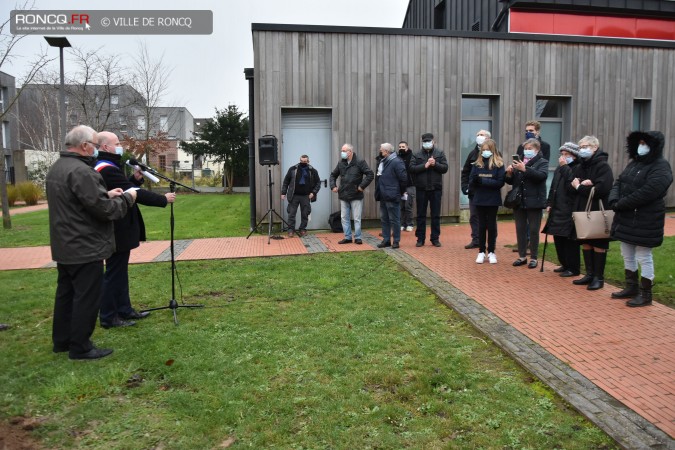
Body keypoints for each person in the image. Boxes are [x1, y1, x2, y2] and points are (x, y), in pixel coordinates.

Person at [46, 125, 137, 360]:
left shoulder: (58, 168)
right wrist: (127, 198)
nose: (97, 150)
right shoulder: (82, 172)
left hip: (65, 244)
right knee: (87, 296)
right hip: (85, 245)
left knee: (65, 295)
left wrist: (106, 194)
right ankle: (81, 346)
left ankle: (63, 341)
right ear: (85, 146)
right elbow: (105, 211)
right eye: (96, 145)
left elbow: (77, 201)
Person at [95, 131, 175, 329]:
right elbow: (134, 194)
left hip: (119, 226)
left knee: (120, 271)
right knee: (114, 272)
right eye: (117, 143)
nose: (120, 146)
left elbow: (125, 188)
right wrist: (162, 199)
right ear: (105, 147)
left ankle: (124, 308)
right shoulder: (106, 168)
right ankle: (108, 316)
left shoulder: (111, 166)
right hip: (117, 227)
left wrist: (135, 179)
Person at [608, 131, 672, 307]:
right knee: (626, 253)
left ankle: (646, 294)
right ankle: (631, 287)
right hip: (627, 217)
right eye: (639, 143)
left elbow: (649, 191)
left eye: (645, 143)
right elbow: (619, 182)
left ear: (654, 146)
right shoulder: (634, 163)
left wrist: (622, 203)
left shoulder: (661, 167)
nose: (641, 146)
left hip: (646, 219)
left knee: (644, 256)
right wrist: (614, 200)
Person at [570, 135, 614, 290]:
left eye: (586, 146)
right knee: (586, 241)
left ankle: (598, 277)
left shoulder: (603, 166)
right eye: (580, 147)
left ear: (595, 147)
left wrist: (584, 186)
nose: (582, 149)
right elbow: (572, 185)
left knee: (598, 243)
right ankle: (589, 274)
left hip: (597, 210)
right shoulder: (580, 166)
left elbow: (602, 188)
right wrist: (582, 186)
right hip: (582, 209)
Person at [505, 138, 548, 269]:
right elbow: (512, 182)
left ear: (537, 150)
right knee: (520, 229)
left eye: (530, 149)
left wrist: (525, 169)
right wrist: (509, 173)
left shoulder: (542, 162)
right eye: (526, 149)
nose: (527, 151)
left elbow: (541, 176)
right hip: (519, 201)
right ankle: (522, 256)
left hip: (535, 201)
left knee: (534, 230)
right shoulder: (519, 162)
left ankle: (534, 257)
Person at [544, 142, 581, 277]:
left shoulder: (577, 168)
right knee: (558, 238)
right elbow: (553, 187)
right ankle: (564, 264)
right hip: (557, 207)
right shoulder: (560, 169)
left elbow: (572, 185)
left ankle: (573, 267)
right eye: (562, 154)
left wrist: (565, 167)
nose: (563, 157)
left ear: (575, 156)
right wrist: (549, 202)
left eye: (567, 154)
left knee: (569, 241)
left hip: (569, 208)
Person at [468, 138, 505, 264]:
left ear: (493, 150)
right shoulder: (477, 164)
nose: (485, 152)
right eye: (483, 150)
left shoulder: (499, 164)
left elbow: (500, 182)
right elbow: (472, 179)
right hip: (479, 198)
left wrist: (483, 181)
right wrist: (475, 182)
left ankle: (492, 251)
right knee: (481, 226)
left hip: (492, 199)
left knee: (492, 226)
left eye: (487, 150)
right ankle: (481, 251)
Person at [329, 143, 374, 245]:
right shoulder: (341, 163)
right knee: (344, 218)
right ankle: (347, 237)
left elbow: (370, 174)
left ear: (350, 152)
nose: (342, 153)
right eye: (342, 150)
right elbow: (333, 175)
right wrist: (333, 186)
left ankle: (358, 237)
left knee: (357, 218)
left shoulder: (360, 162)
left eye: (344, 151)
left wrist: (362, 186)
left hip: (356, 195)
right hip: (344, 195)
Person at [410, 132, 448, 247]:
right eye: (425, 141)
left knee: (435, 214)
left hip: (436, 188)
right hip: (421, 188)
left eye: (429, 141)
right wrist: (424, 166)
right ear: (422, 142)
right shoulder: (416, 154)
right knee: (421, 215)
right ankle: (420, 239)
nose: (427, 143)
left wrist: (435, 164)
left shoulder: (439, 153)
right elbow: (411, 168)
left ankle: (435, 238)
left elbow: (445, 168)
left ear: (433, 141)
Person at [461, 129, 492, 249]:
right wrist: (465, 187)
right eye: (477, 134)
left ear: (488, 138)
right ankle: (476, 240)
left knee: (489, 217)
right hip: (474, 192)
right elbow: (465, 172)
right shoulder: (472, 154)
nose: (479, 136)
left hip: (488, 192)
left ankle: (490, 241)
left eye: (482, 135)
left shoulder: (494, 154)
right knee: (474, 216)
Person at [375, 143, 408, 249]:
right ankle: (386, 240)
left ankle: (396, 241)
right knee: (384, 219)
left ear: (386, 151)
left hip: (393, 195)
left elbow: (403, 179)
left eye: (381, 150)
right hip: (383, 195)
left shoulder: (397, 162)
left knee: (395, 219)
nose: (380, 151)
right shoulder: (383, 161)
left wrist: (400, 192)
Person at [281, 154, 321, 237]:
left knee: (305, 213)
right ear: (299, 160)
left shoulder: (313, 171)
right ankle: (291, 230)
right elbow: (286, 182)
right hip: (293, 195)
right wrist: (283, 193)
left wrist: (313, 193)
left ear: (308, 161)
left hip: (306, 196)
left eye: (305, 161)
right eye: (302, 161)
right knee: (291, 213)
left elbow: (318, 183)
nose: (303, 163)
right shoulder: (292, 169)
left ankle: (302, 229)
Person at [397, 141, 415, 232]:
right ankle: (402, 224)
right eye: (400, 147)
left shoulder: (412, 157)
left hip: (409, 185)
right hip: (399, 186)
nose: (401, 148)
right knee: (401, 206)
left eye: (403, 146)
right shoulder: (397, 157)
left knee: (408, 205)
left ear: (407, 147)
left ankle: (410, 224)